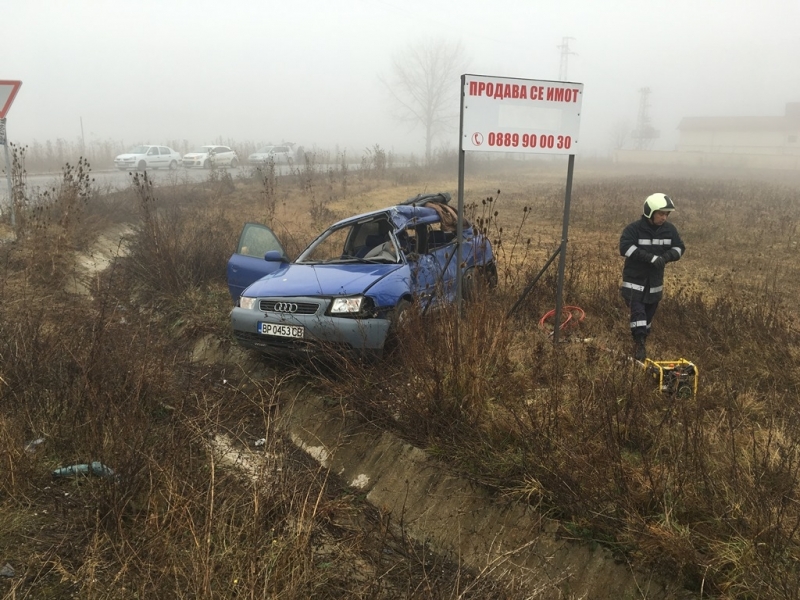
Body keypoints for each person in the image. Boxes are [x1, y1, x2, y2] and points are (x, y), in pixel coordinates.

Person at [619, 193, 685, 361]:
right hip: (634, 280)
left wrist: (666, 257)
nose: (664, 217)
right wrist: (651, 258)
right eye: (661, 213)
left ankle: (643, 335)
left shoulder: (670, 230)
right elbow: (625, 248)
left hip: (655, 282)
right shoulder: (633, 229)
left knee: (649, 313)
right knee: (638, 312)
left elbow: (679, 248)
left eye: (666, 214)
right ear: (650, 212)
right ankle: (639, 343)